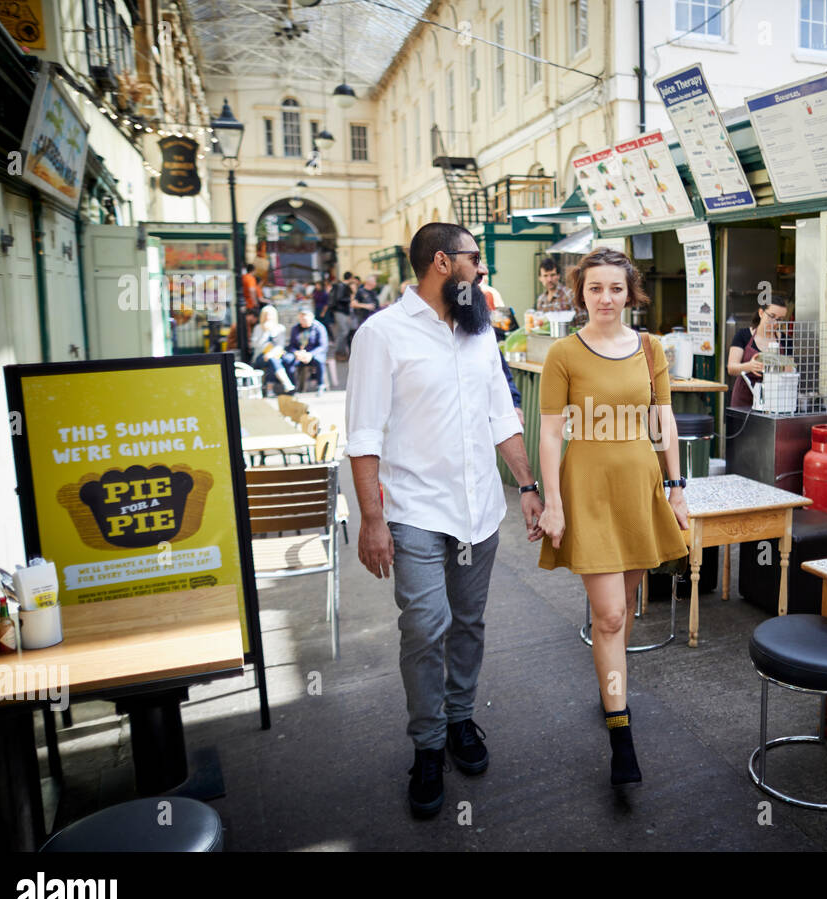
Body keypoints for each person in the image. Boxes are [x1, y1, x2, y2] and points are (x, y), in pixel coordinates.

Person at [346, 222, 544, 820]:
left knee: (469, 623)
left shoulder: (479, 331)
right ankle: (428, 744)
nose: (481, 270)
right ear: (441, 262)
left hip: (479, 509)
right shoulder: (380, 335)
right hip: (414, 513)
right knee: (425, 626)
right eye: (474, 259)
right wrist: (372, 519)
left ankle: (461, 720)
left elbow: (501, 416)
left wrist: (527, 486)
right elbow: (361, 437)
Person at [536, 247, 689, 789]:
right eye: (595, 288)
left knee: (622, 609)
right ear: (581, 293)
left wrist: (676, 489)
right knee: (609, 616)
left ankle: (610, 691)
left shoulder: (651, 348)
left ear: (631, 294)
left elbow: (663, 421)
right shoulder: (563, 353)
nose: (605, 298)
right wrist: (552, 501)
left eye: (615, 289)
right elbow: (551, 432)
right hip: (587, 488)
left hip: (639, 487)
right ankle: (621, 736)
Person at [727, 293, 790, 409]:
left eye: (780, 319)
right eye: (771, 316)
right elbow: (731, 368)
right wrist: (749, 366)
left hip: (774, 400)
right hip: (744, 399)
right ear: (761, 313)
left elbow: (790, 370)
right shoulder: (743, 335)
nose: (775, 323)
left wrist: (781, 367)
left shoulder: (786, 340)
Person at [251, 304, 295, 394]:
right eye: (266, 314)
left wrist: (271, 353)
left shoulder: (280, 328)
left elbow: (280, 345)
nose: (268, 317)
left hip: (275, 354)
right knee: (273, 361)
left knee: (273, 361)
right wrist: (265, 332)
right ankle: (286, 383)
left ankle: (270, 389)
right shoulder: (258, 328)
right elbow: (255, 344)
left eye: (270, 314)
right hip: (260, 355)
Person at [286, 308, 330, 395]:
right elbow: (291, 345)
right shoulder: (295, 328)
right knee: (288, 360)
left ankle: (320, 385)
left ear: (312, 318)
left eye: (306, 318)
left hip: (313, 353)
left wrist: (310, 354)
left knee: (319, 360)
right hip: (300, 354)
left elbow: (322, 346)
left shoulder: (319, 328)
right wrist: (296, 352)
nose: (304, 320)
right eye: (302, 318)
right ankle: (292, 387)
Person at [536, 256, 582, 327]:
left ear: (558, 276)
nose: (549, 279)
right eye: (545, 276)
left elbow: (582, 323)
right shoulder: (541, 300)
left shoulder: (570, 295)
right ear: (540, 278)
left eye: (552, 275)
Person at [328, 271, 355, 360]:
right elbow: (339, 299)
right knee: (344, 331)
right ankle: (338, 351)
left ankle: (341, 352)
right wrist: (349, 299)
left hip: (341, 311)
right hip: (340, 311)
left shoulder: (341, 286)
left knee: (343, 331)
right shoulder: (341, 286)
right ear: (350, 278)